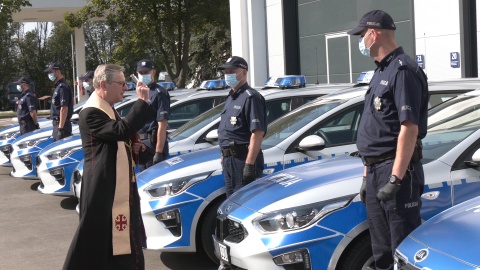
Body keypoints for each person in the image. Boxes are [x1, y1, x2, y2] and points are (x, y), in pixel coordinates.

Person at [348, 10, 429, 270]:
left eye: (362, 35)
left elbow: (409, 128)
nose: (360, 41)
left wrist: (395, 179)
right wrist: (365, 175)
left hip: (393, 171)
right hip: (374, 170)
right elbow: (375, 130)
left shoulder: (403, 70)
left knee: (401, 249)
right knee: (381, 250)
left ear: (374, 34)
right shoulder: (381, 71)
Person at [63, 64, 154, 270]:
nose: (125, 87)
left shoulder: (110, 110)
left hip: (116, 186)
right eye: (121, 83)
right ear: (104, 84)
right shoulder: (91, 113)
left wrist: (136, 148)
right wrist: (142, 102)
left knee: (121, 242)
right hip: (102, 190)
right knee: (98, 245)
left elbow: (118, 141)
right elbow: (120, 131)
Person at [217, 56, 267, 197]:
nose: (228, 75)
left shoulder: (251, 97)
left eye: (231, 71)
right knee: (231, 203)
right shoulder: (231, 96)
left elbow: (257, 133)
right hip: (229, 161)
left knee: (243, 203)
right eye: (226, 72)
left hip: (242, 160)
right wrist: (223, 155)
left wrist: (249, 165)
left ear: (243, 72)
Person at [135, 59, 170, 170]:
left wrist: (158, 152)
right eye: (141, 73)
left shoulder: (159, 93)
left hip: (153, 145)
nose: (143, 75)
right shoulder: (142, 92)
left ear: (153, 72)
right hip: (143, 145)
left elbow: (162, 124)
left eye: (146, 72)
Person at [44, 62, 74, 141]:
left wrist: (60, 128)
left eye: (51, 72)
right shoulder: (58, 87)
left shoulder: (62, 87)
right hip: (58, 124)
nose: (49, 74)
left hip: (62, 125)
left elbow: (64, 108)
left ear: (58, 71)